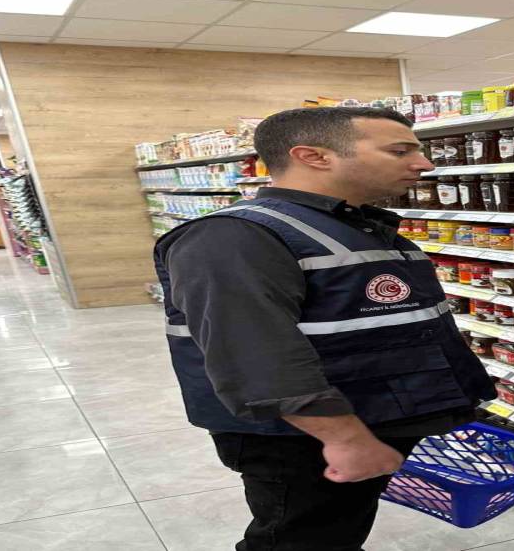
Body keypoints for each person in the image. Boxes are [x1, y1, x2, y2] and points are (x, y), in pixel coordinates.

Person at [153, 107, 495, 551]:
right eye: (400, 151)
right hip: (299, 436)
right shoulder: (234, 236)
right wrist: (343, 438)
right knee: (299, 541)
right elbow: (253, 354)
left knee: (336, 532)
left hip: (364, 415)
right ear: (313, 156)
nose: (424, 164)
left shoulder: (355, 225)